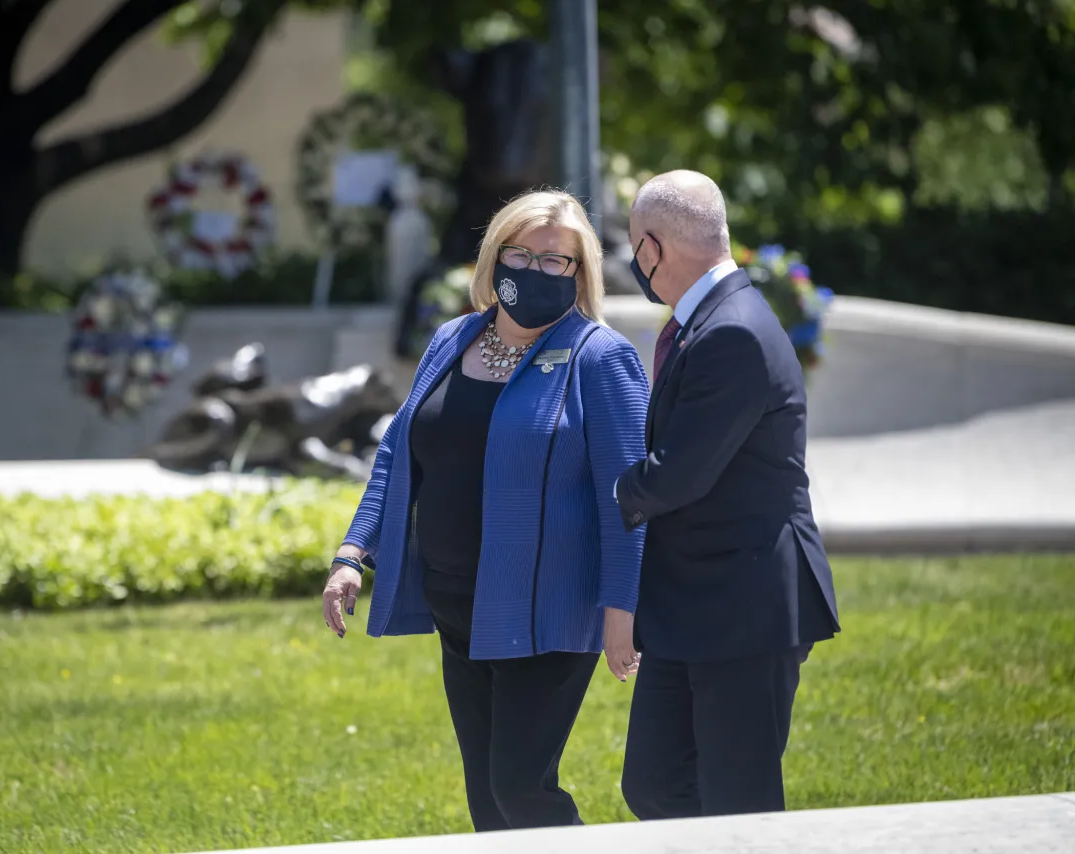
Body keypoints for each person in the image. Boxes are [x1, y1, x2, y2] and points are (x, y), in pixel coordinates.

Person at [322, 190, 649, 831]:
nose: (534, 271)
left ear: (581, 274)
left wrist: (624, 610)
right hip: (457, 602)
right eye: (519, 254)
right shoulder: (452, 339)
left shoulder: (600, 357)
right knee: (487, 798)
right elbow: (397, 454)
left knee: (522, 790)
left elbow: (629, 498)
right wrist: (353, 553)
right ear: (491, 258)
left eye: (556, 261)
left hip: (547, 608)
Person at [615, 171, 840, 819]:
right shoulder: (709, 322)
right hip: (694, 603)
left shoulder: (732, 330)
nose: (635, 263)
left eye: (634, 248)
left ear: (653, 250)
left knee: (739, 801)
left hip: (745, 604)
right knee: (655, 785)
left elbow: (677, 476)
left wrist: (599, 488)